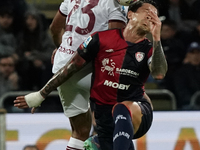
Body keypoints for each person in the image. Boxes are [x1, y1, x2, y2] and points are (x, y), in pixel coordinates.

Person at [14, 0, 167, 150]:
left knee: (118, 109)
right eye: (147, 11)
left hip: (134, 110)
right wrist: (41, 94)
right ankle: (100, 140)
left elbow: (159, 74)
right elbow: (75, 65)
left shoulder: (147, 47)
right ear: (130, 13)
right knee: (107, 132)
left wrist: (157, 39)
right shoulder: (105, 31)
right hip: (103, 107)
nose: (151, 16)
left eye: (155, 14)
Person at [16, 8, 55, 91]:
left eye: (32, 19)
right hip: (25, 67)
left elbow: (50, 53)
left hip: (43, 66)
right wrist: (31, 58)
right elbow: (18, 53)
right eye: (27, 19)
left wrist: (35, 56)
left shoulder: (44, 36)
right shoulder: (21, 36)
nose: (29, 22)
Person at [173, 42, 200, 110]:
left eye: (198, 53)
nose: (195, 56)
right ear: (187, 55)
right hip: (188, 104)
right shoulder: (181, 72)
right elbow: (181, 92)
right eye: (192, 53)